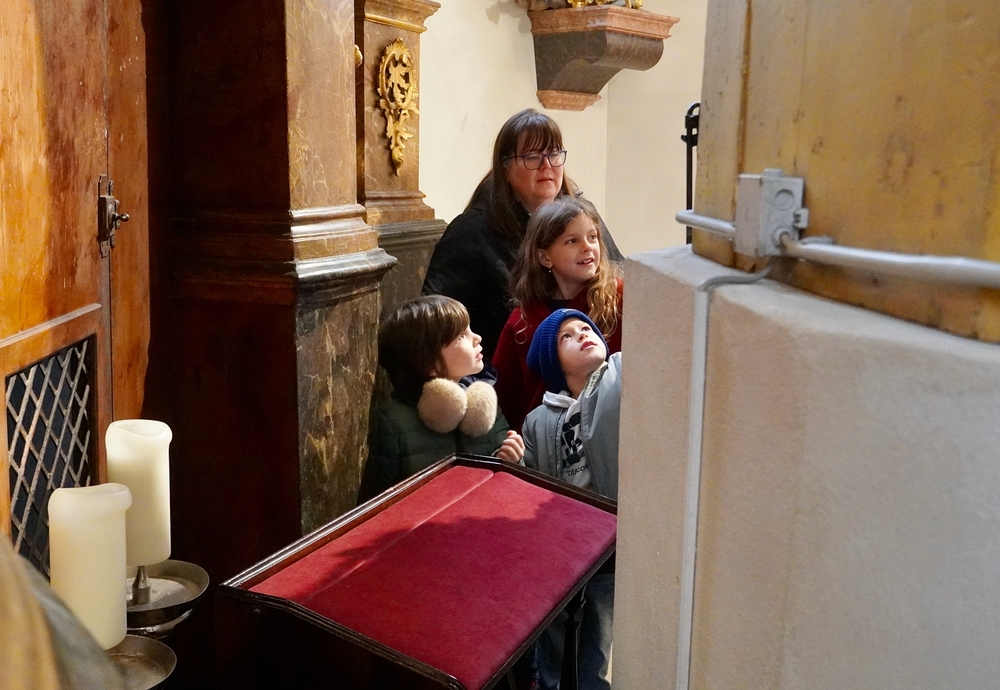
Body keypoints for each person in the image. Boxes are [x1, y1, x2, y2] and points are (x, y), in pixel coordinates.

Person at [422, 108, 622, 361]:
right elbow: (436, 320)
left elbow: (617, 275)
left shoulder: (582, 215)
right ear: (505, 168)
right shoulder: (470, 231)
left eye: (553, 154)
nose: (546, 165)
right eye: (532, 157)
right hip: (501, 367)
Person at [522, 309, 621, 690]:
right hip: (566, 547)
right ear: (553, 362)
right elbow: (534, 485)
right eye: (567, 336)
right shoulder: (537, 420)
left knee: (598, 638)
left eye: (586, 328)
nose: (582, 334)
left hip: (612, 540)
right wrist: (515, 463)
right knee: (560, 638)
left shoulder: (618, 375)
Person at [358, 295, 525, 503]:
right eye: (461, 336)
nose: (477, 338)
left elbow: (509, 486)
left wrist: (513, 461)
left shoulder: (483, 405)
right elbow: (375, 504)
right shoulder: (394, 422)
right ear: (428, 362)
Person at [492, 196, 623, 432]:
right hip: (542, 440)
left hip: (611, 432)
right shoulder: (522, 320)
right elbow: (504, 397)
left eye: (592, 237)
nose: (587, 247)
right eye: (572, 241)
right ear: (545, 257)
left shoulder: (620, 299)